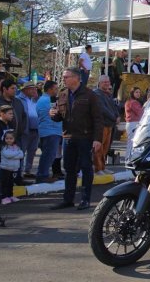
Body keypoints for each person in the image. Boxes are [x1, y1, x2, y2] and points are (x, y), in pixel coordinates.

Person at [49, 67, 103, 210]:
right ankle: (68, 199)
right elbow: (60, 117)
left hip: (85, 137)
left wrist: (97, 139)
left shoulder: (89, 95)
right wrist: (53, 114)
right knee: (69, 169)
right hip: (68, 136)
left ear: (76, 78)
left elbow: (98, 118)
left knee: (86, 167)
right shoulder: (63, 94)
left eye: (66, 77)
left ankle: (85, 199)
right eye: (64, 77)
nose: (63, 79)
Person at [36, 81, 62, 183]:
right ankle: (42, 176)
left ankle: (43, 174)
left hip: (50, 131)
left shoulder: (43, 99)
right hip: (50, 131)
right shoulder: (47, 100)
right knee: (48, 155)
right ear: (50, 89)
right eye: (56, 89)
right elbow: (58, 112)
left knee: (49, 155)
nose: (57, 91)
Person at [93, 75, 118, 176]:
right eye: (104, 82)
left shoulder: (108, 94)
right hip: (102, 125)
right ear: (99, 83)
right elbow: (102, 109)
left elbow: (114, 107)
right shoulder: (96, 94)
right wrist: (114, 117)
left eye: (108, 82)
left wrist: (116, 115)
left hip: (109, 125)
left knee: (106, 148)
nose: (107, 84)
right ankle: (97, 168)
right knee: (99, 148)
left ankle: (103, 167)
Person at [17, 82, 40, 179]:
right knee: (21, 151)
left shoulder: (34, 100)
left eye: (35, 89)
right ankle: (18, 172)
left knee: (32, 150)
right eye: (32, 89)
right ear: (25, 90)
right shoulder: (18, 99)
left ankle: (28, 170)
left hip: (35, 129)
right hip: (25, 130)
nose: (35, 91)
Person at [0, 130, 23, 205]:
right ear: (4, 139)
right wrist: (17, 153)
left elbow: (22, 155)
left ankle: (10, 196)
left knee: (11, 183)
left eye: (11, 138)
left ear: (14, 139)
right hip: (5, 169)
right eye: (7, 138)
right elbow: (8, 155)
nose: (9, 140)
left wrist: (15, 154)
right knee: (5, 184)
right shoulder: (4, 147)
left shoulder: (17, 147)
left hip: (14, 169)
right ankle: (4, 197)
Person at [124, 87, 144, 159]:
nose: (138, 94)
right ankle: (128, 159)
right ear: (132, 93)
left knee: (132, 142)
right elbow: (141, 113)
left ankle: (130, 159)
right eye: (136, 92)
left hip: (132, 123)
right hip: (133, 124)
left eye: (139, 92)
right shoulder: (133, 102)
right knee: (133, 143)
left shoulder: (130, 101)